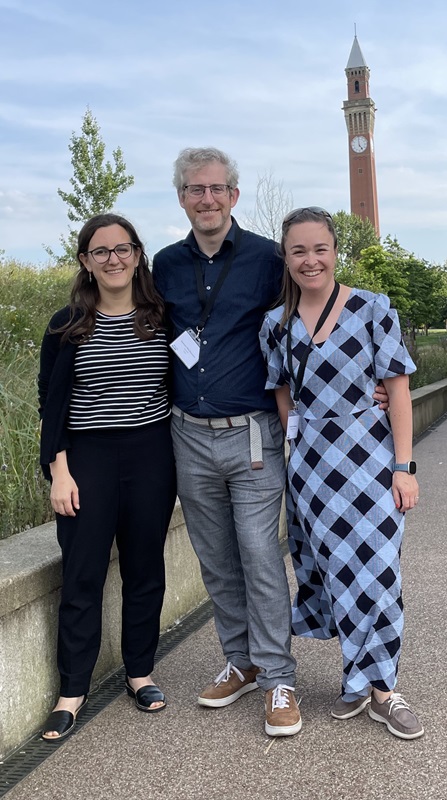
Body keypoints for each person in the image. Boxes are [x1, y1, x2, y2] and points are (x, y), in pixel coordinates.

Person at [152, 148, 388, 737]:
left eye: (216, 188)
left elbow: (320, 307)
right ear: (181, 197)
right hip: (188, 431)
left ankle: (280, 676)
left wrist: (373, 386)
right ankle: (242, 660)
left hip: (255, 434)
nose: (206, 198)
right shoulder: (164, 264)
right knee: (216, 559)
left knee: (260, 555)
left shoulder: (265, 258)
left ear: (234, 195)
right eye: (194, 189)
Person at [259, 206, 424, 740]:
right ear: (286, 259)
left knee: (378, 572)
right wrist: (298, 451)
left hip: (371, 459)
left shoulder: (373, 309)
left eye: (319, 248)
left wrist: (404, 467)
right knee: (334, 574)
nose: (310, 260)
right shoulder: (276, 324)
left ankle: (382, 690)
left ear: (335, 251)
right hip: (312, 469)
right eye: (298, 251)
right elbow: (285, 397)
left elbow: (397, 389)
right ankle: (357, 681)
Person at [38, 213, 176, 742]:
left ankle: (139, 672)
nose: (113, 259)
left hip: (150, 454)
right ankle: (72, 690)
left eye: (123, 249)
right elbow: (50, 404)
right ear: (85, 261)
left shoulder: (162, 316)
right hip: (87, 457)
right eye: (101, 251)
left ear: (138, 255)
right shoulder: (65, 323)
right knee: (82, 574)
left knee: (145, 569)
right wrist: (60, 471)